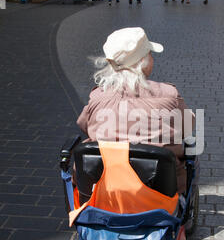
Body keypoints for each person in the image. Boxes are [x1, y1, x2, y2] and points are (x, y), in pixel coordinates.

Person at [76, 27, 195, 194]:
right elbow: (188, 127)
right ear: (142, 61)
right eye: (150, 54)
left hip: (107, 189)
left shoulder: (97, 97)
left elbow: (85, 125)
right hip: (160, 191)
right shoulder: (169, 94)